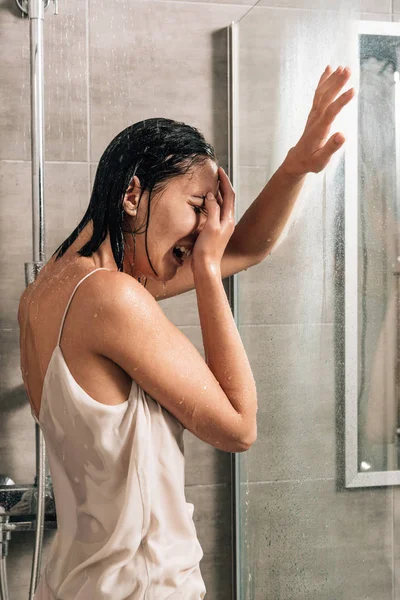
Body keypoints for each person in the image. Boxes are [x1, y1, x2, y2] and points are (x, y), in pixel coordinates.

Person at [18, 65, 354, 599]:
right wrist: (204, 273)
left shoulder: (50, 292)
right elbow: (239, 428)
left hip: (76, 585)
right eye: (198, 207)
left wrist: (296, 167)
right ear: (133, 194)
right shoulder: (113, 297)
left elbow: (244, 249)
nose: (205, 232)